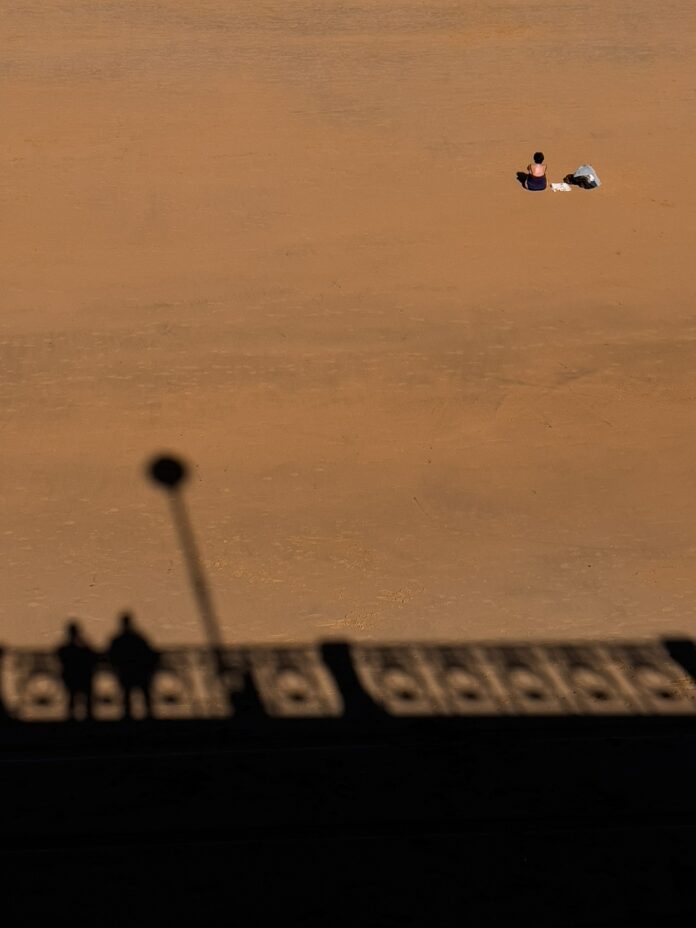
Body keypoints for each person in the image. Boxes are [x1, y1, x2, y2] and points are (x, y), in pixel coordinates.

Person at [107, 612, 159, 720]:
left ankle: (128, 716)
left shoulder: (118, 640)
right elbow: (149, 654)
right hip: (139, 671)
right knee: (143, 695)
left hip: (126, 671)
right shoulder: (138, 638)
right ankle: (149, 716)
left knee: (127, 695)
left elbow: (112, 656)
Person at [56, 621, 99, 720]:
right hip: (84, 676)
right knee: (86, 701)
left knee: (71, 699)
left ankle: (71, 721)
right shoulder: (83, 647)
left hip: (71, 676)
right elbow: (93, 655)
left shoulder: (66, 648)